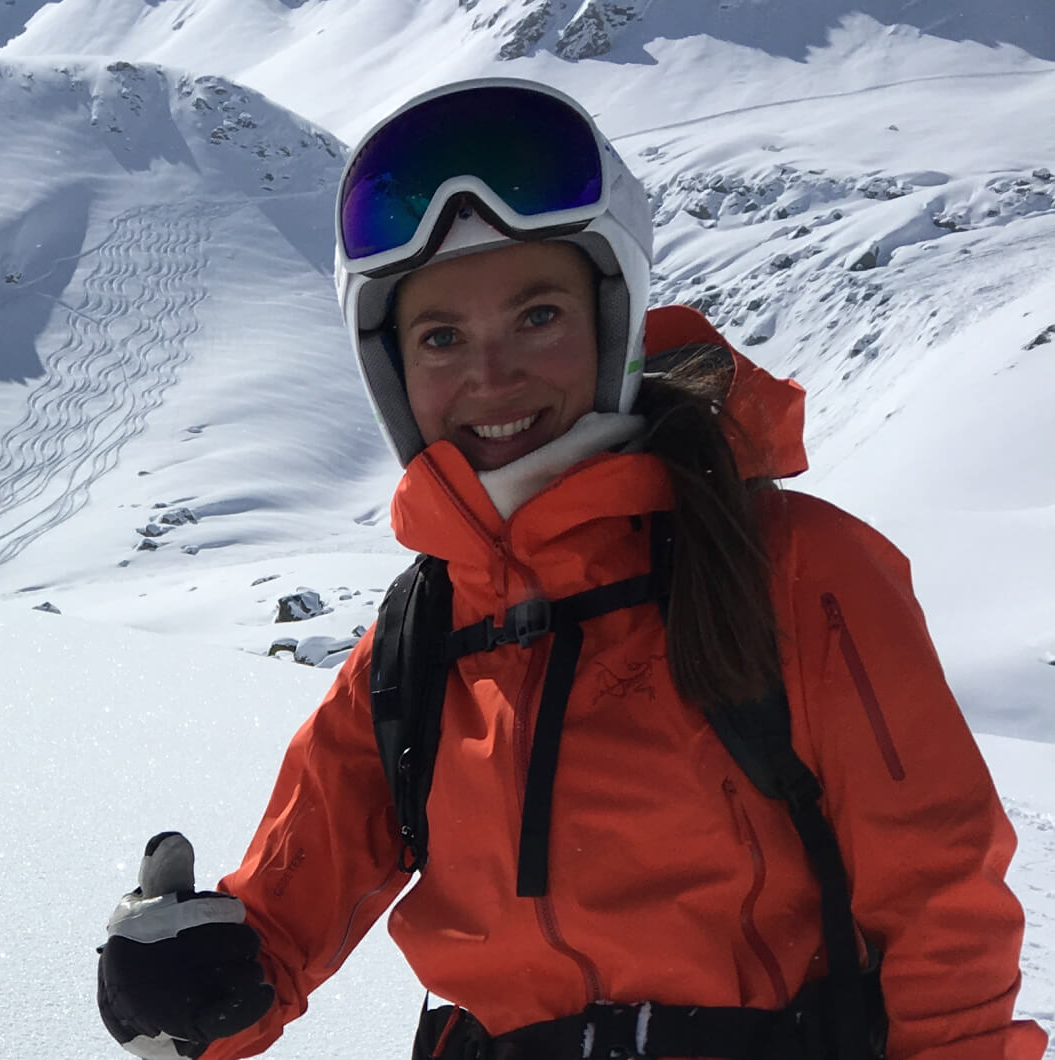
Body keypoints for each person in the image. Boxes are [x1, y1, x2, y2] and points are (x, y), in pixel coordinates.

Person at [97, 79, 1047, 1060]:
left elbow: (942, 905)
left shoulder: (794, 568)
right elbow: (285, 919)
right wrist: (194, 987)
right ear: (391, 371)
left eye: (538, 315)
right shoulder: (420, 639)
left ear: (612, 321)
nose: (490, 375)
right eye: (440, 337)